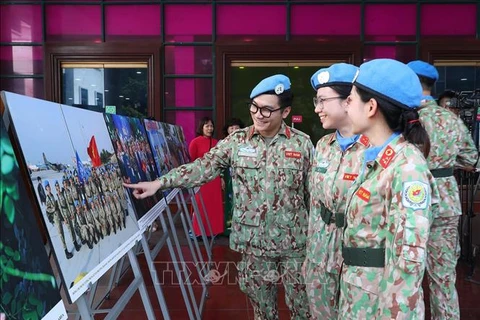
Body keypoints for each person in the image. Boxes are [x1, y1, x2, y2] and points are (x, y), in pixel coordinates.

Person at [124, 74, 313, 319]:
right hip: (254, 243)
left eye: (267, 110)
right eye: (254, 107)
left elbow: (313, 195)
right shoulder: (237, 141)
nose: (258, 115)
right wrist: (160, 183)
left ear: (285, 112)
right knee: (263, 309)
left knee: (302, 307)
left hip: (294, 243)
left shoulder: (302, 144)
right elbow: (202, 167)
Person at [340, 58, 439, 318]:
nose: (345, 105)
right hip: (361, 293)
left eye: (350, 99)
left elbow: (408, 262)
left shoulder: (407, 168)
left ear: (371, 106)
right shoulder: (373, 158)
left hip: (381, 304)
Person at [408, 60, 478, 320]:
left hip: (410, 203)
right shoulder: (451, 120)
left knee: (407, 279)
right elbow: (472, 159)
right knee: (444, 280)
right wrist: (446, 162)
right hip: (446, 203)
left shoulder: (404, 118)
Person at [303, 63, 369, 318]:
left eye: (322, 100)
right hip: (320, 257)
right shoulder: (323, 145)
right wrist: (311, 257)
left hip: (359, 262)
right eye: (316, 100)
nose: (317, 108)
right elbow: (316, 205)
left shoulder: (376, 147)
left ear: (348, 101)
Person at [188, 117, 225, 238]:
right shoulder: (195, 142)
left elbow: (220, 161)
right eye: (207, 126)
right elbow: (192, 160)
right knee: (200, 204)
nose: (210, 128)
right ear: (201, 127)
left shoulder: (216, 143)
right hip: (201, 178)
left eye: (211, 126)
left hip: (214, 178)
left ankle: (214, 231)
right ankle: (198, 232)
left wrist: (222, 177)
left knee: (214, 205)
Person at [221, 118, 245, 236]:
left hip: (243, 178)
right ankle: (229, 228)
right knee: (229, 202)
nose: (234, 130)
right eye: (232, 128)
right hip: (228, 177)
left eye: (237, 128)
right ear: (227, 130)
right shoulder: (223, 143)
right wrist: (221, 177)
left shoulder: (247, 142)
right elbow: (217, 163)